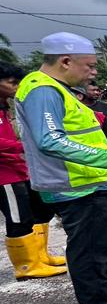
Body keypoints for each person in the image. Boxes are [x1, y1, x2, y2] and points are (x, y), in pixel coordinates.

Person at [15, 33, 107, 304]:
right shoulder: (42, 90)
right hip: (73, 187)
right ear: (65, 61)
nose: (94, 72)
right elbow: (49, 139)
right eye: (88, 66)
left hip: (92, 182)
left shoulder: (58, 89)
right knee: (90, 247)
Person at [0, 62, 67, 280]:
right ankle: (26, 266)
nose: (16, 87)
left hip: (19, 169)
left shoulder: (5, 108)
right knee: (17, 217)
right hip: (4, 175)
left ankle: (41, 256)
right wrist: (25, 146)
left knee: (38, 212)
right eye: (11, 83)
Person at [71, 84, 107, 220]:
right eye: (93, 90)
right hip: (81, 159)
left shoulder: (100, 112)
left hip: (103, 156)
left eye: (98, 90)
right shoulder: (69, 113)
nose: (97, 92)